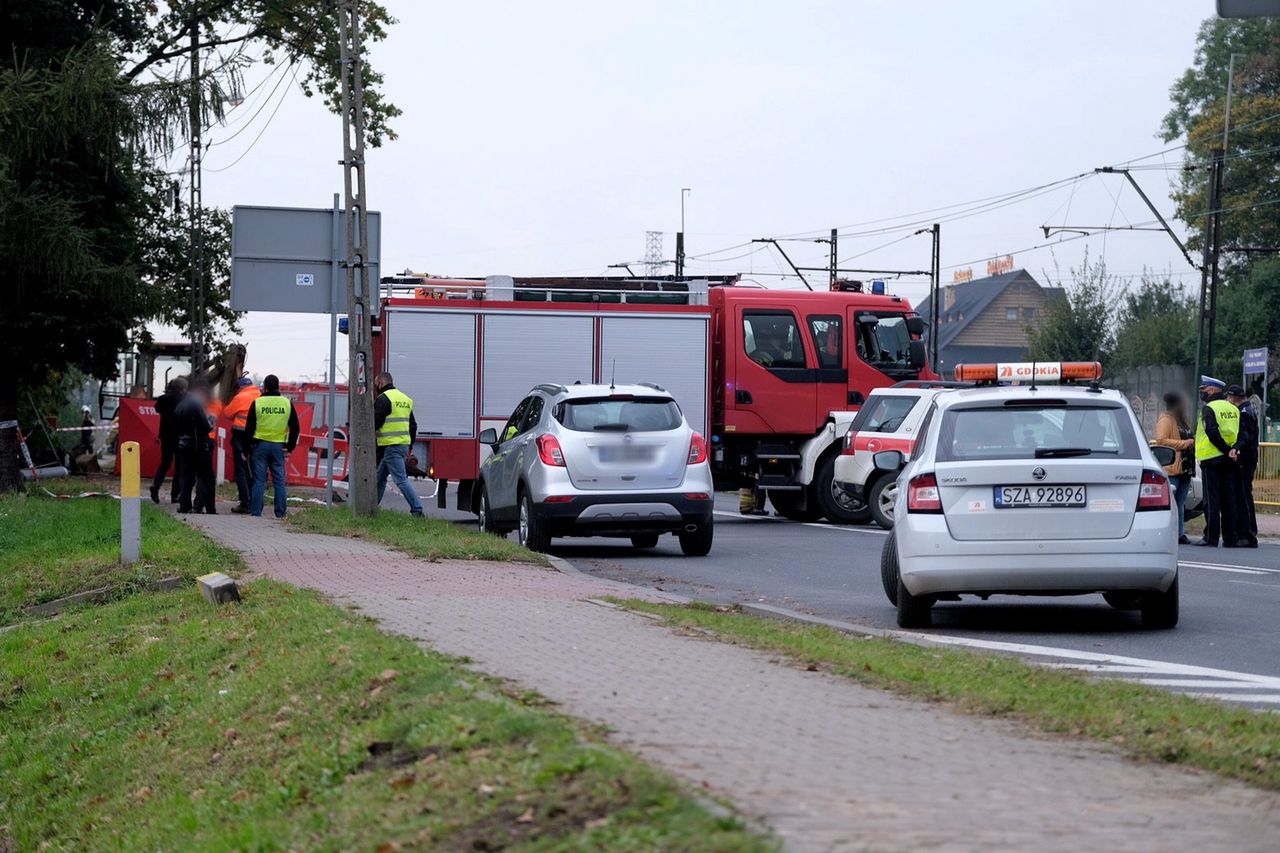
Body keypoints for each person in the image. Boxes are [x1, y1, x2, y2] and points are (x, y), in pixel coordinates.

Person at [1193, 376, 1242, 548]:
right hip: (1230, 460)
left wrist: (1225, 449)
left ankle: (1211, 537)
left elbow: (1212, 433)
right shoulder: (1233, 408)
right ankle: (1230, 538)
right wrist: (1233, 450)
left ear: (1213, 390)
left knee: (1211, 500)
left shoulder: (1209, 408)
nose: (1203, 394)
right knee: (1229, 499)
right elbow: (1240, 433)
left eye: (1204, 390)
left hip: (1212, 459)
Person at [245, 374, 300, 519]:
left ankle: (256, 513)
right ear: (278, 387)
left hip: (260, 446)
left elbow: (249, 428)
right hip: (278, 447)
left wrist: (247, 448)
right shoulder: (286, 403)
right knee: (279, 481)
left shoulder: (257, 403)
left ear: (265, 387)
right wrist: (290, 446)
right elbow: (295, 427)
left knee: (259, 481)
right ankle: (280, 513)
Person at [374, 372, 424, 517]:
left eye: (376, 383)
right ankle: (371, 508)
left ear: (381, 383)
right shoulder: (405, 399)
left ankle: (417, 510)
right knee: (380, 477)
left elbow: (374, 423)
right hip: (401, 445)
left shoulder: (383, 399)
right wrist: (410, 446)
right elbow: (413, 426)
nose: (376, 387)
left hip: (390, 446)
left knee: (401, 479)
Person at [1154, 391, 1195, 545]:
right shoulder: (1166, 419)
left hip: (1185, 467)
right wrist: (1184, 444)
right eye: (1182, 402)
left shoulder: (1183, 419)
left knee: (1180, 502)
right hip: (1173, 467)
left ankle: (1179, 533)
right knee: (1171, 502)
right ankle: (1169, 533)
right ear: (1176, 404)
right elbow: (1161, 440)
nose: (1185, 405)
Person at [173, 379, 216, 514]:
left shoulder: (180, 406)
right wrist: (211, 421)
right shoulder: (196, 405)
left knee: (186, 477)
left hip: (184, 446)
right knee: (207, 477)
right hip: (198, 446)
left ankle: (185, 505)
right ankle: (208, 508)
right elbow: (204, 426)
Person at [1228, 384, 1260, 548]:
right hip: (1247, 458)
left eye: (1229, 398)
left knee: (1244, 496)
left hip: (1245, 460)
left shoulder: (1244, 413)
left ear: (1233, 398)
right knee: (1243, 495)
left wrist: (1237, 448)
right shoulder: (1247, 409)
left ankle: (1248, 534)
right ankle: (1245, 532)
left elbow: (1246, 436)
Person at [223, 377, 261, 514]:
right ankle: (256, 501)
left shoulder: (240, 396)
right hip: (256, 437)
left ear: (240, 387)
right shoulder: (259, 395)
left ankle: (245, 503)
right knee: (255, 470)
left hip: (241, 436)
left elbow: (227, 413)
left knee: (241, 470)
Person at [150, 377, 187, 504]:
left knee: (165, 463)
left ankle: (155, 486)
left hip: (166, 436)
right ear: (183, 388)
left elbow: (157, 409)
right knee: (179, 466)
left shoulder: (163, 399)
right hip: (180, 437)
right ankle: (175, 495)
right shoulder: (184, 400)